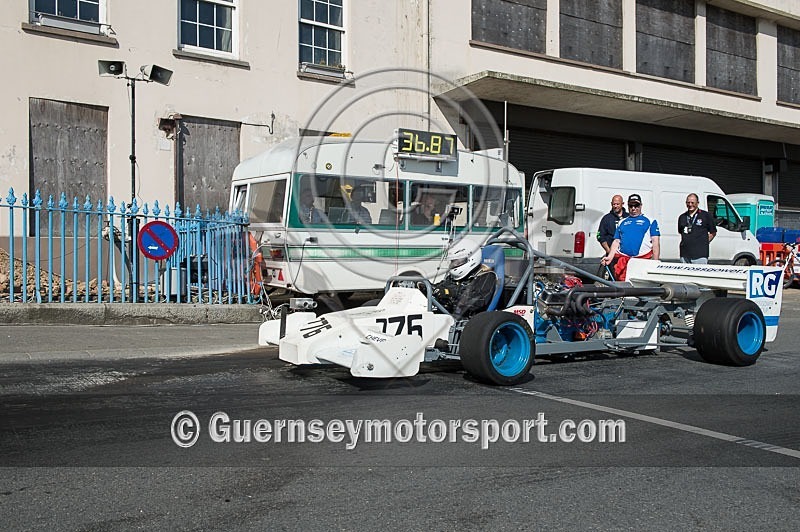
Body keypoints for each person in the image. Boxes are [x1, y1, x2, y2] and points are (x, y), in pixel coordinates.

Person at [600, 193, 660, 281]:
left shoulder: (650, 221)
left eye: (636, 205)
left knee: (639, 288)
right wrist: (610, 257)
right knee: (622, 288)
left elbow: (656, 242)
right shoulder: (622, 222)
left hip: (642, 260)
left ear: (641, 205)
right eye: (631, 205)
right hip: (624, 261)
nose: (633, 208)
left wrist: (655, 262)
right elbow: (616, 241)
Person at [431, 241, 496, 319]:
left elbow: (477, 302)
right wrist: (428, 287)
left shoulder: (486, 276)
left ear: (471, 258)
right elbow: (441, 287)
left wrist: (451, 293)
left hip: (469, 321)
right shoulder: (456, 277)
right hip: (448, 316)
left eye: (458, 261)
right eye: (453, 261)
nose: (454, 264)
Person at [678, 193, 716, 264]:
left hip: (700, 255)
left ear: (697, 203)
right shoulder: (682, 217)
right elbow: (681, 232)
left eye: (692, 203)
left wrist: (704, 242)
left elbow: (713, 232)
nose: (690, 205)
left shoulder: (705, 215)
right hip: (685, 254)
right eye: (688, 202)